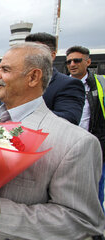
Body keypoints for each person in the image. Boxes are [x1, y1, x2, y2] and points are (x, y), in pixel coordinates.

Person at [0, 42, 105, 239]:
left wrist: (3, 216)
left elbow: (82, 222)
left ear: (33, 77)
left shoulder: (75, 143)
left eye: (5, 69)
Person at [66, 46, 105, 224]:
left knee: (96, 192)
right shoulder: (62, 86)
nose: (72, 64)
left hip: (95, 148)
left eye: (77, 60)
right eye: (68, 61)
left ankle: (96, 228)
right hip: (68, 149)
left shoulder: (100, 83)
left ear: (88, 62)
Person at [25, 32, 85, 125]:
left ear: (52, 55)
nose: (29, 57)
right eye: (26, 53)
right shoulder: (18, 81)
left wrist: (22, 113)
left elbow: (68, 119)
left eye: (36, 52)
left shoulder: (69, 85)